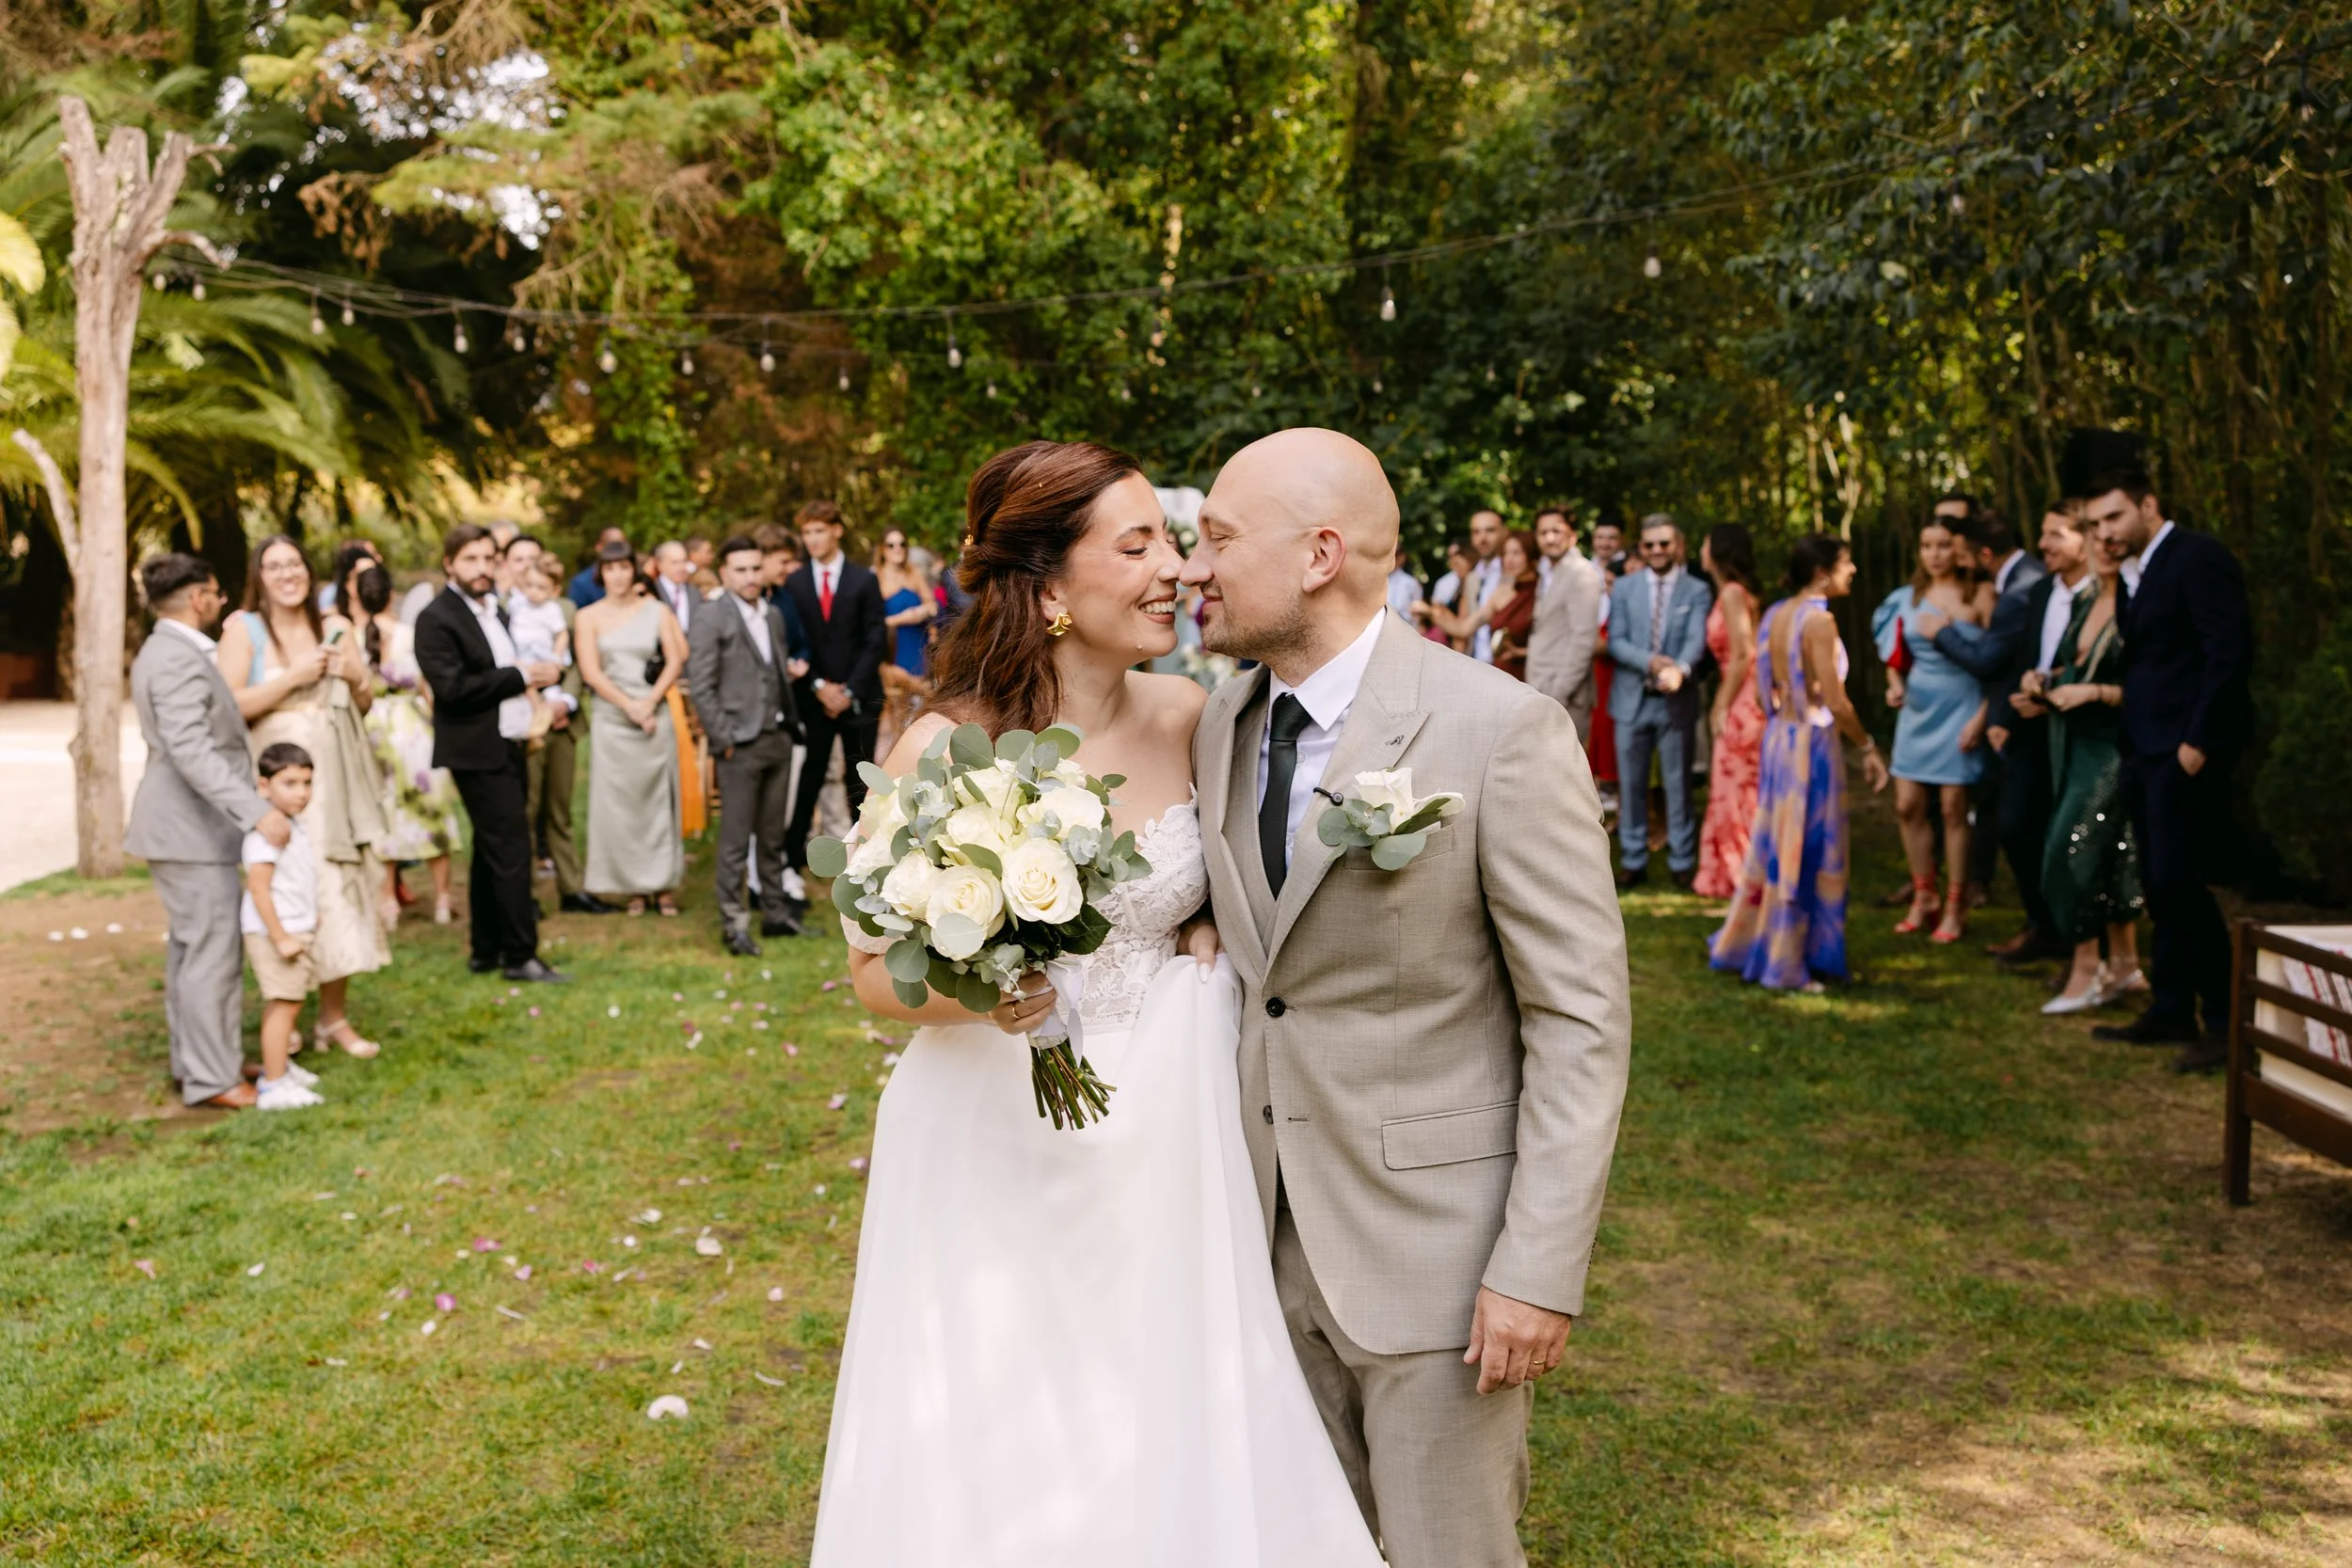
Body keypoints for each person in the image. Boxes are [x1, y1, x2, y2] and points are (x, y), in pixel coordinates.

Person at [815, 439, 1387, 1567]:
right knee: (1003, 1407)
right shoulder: (944, 747)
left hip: (1176, 1127)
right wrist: (999, 990)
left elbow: (1252, 868)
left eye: (1172, 539)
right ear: (1047, 586)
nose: (1174, 567)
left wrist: (1217, 922)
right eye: (1138, 546)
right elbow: (876, 974)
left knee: (1170, 1393)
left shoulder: (1197, 713)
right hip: (994, 1135)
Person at [1186, 429, 1630, 1567]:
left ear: (1319, 554)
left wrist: (1535, 1268)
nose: (1193, 569)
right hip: (1258, 1239)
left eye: (1217, 540)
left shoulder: (1498, 729)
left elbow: (1578, 1020)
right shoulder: (1220, 727)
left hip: (1437, 1263)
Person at [2085, 459, 2253, 1070]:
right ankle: (2172, 1007)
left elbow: (2227, 651)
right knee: (2159, 883)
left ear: (2148, 505)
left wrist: (2199, 741)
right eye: (2095, 521)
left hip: (2183, 750)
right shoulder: (2134, 570)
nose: (2103, 530)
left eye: (2114, 516)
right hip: (2144, 747)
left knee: (2182, 882)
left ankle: (2228, 1024)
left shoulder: (2196, 556)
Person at [127, 554, 291, 1112]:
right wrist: (255, 810)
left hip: (192, 831)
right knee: (211, 955)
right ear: (198, 598)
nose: (221, 604)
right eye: (217, 595)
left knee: (193, 952)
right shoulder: (175, 658)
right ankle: (212, 1077)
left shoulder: (173, 652)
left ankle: (202, 1059)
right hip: (187, 832)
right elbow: (190, 750)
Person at [218, 535, 389, 1057]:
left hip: (331, 780)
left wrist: (356, 675)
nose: (287, 574)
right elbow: (227, 706)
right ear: (259, 575)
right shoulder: (241, 629)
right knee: (283, 891)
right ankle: (284, 1007)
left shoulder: (336, 627)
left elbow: (361, 705)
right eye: (274, 566)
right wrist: (293, 678)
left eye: (294, 564)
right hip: (274, 783)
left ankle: (333, 1018)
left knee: (336, 888)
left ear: (309, 571)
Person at [1708, 534, 1890, 990]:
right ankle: (1792, 960)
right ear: (1823, 572)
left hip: (1780, 739)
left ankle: (1771, 945)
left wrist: (1780, 726)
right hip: (1811, 743)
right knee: (1810, 847)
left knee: (1777, 845)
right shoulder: (1819, 623)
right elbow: (1836, 700)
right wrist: (1867, 746)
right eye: (1848, 564)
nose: (1853, 573)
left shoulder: (1775, 613)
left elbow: (1760, 688)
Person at [414, 524, 570, 983]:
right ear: (449, 564)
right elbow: (452, 689)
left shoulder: (495, 611)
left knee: (489, 849)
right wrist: (519, 677)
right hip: (475, 749)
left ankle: (486, 948)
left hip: (510, 743)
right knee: (512, 847)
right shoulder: (436, 618)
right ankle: (521, 955)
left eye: (488, 559)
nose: (482, 569)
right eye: (470, 560)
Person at [2033, 527, 2146, 1015]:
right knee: (2115, 853)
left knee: (2068, 852)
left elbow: (2154, 688)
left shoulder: (2138, 608)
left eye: (2109, 539)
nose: (2103, 548)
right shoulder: (2085, 604)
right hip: (2073, 743)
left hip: (2114, 747)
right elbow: (2070, 667)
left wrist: (2094, 694)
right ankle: (2125, 965)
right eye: (2096, 539)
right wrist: (2044, 682)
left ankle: (2086, 967)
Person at [1980, 504, 2093, 964]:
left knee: (2069, 832)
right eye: (2043, 534)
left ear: (2085, 538)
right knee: (2015, 824)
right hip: (2029, 724)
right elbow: (2028, 655)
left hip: (2081, 728)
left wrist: (2052, 690)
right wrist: (2005, 716)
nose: (2043, 545)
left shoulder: (2103, 595)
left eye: (2056, 535)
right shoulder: (2043, 590)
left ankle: (2078, 931)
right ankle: (2041, 923)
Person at [1871, 517, 1993, 941]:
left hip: (1962, 705)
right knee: (1907, 804)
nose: (1935, 554)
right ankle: (1924, 895)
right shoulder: (1907, 598)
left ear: (1957, 549)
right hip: (1918, 710)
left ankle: (1956, 905)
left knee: (1953, 807)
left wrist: (1983, 716)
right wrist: (1894, 686)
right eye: (1927, 546)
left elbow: (1998, 662)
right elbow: (1895, 656)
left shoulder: (1979, 594)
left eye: (1943, 545)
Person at [688, 536, 807, 956]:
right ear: (724, 573)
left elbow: (774, 673)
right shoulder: (710, 616)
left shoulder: (772, 615)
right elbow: (701, 687)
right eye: (740, 569)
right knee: (736, 841)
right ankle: (733, 924)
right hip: (738, 743)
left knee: (773, 836)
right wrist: (724, 739)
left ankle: (775, 916)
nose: (750, 577)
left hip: (776, 736)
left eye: (756, 568)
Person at [575, 540, 689, 916]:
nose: (618, 575)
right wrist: (629, 706)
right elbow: (590, 671)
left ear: (634, 571)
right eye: (610, 568)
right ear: (601, 573)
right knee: (620, 806)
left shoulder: (656, 610)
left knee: (659, 800)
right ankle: (633, 888)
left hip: (654, 715)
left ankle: (664, 885)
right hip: (613, 718)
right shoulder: (588, 616)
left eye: (624, 567)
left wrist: (651, 702)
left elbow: (677, 657)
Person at [780, 499, 888, 879]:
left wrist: (848, 691)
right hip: (813, 698)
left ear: (836, 530)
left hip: (858, 697)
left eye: (819, 530)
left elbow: (875, 639)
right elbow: (793, 642)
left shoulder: (864, 580)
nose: (812, 539)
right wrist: (821, 687)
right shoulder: (793, 584)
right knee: (809, 776)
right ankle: (791, 862)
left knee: (859, 780)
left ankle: (867, 861)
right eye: (806, 532)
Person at [1605, 515, 1713, 889]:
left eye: (1663, 544)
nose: (1656, 551)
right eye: (1649, 544)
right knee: (1631, 785)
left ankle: (1682, 859)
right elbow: (1616, 641)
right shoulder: (1623, 588)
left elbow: (1697, 642)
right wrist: (1650, 662)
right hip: (1631, 698)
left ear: (1678, 545)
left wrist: (1679, 670)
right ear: (1641, 547)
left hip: (1675, 699)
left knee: (1677, 783)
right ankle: (1633, 858)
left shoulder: (1697, 589)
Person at [501, 536, 608, 915]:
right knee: (525, 810)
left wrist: (565, 700)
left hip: (561, 718)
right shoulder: (501, 609)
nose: (528, 567)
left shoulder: (564, 608)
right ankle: (524, 893)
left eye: (534, 559)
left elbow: (579, 660)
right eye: (519, 560)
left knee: (560, 809)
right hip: (524, 718)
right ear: (508, 565)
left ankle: (571, 887)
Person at [356, 563, 464, 925]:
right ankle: (443, 900)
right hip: (412, 730)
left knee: (385, 814)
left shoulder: (354, 637)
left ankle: (388, 901)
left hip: (372, 731)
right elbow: (426, 686)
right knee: (432, 810)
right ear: (391, 596)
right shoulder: (408, 633)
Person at [241, 742, 333, 1110]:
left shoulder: (294, 824)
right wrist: (280, 937)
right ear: (264, 786)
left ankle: (279, 1068)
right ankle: (274, 1085)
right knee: (284, 1004)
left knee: (292, 1003)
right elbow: (259, 888)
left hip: (297, 928)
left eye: (307, 783)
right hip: (276, 934)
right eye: (290, 783)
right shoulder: (266, 833)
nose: (301, 792)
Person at [1692, 523, 1765, 900]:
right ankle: (1728, 871)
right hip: (1741, 694)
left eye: (1705, 542)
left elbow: (1743, 654)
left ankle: (1744, 873)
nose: (1700, 549)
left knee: (1736, 790)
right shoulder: (1728, 592)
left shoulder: (1734, 593)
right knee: (1730, 787)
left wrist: (1721, 703)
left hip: (1742, 699)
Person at [1522, 505, 1604, 744]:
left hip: (1564, 696)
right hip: (1542, 687)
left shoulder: (1581, 573)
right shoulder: (1550, 571)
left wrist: (1558, 694)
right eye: (1543, 532)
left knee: (1562, 776)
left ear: (1572, 534)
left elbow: (1583, 640)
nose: (1549, 538)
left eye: (1556, 531)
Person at [874, 528, 937, 676]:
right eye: (891, 545)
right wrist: (902, 618)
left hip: (919, 642)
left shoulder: (914, 573)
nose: (898, 549)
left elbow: (932, 605)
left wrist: (923, 612)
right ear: (883, 549)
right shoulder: (876, 579)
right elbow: (872, 623)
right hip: (893, 648)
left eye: (902, 544)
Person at [1462, 508, 1506, 663]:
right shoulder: (1472, 577)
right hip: (1477, 663)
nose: (1483, 538)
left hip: (1507, 668)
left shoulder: (1514, 572)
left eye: (1490, 530)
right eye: (1476, 532)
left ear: (1503, 532)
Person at [567, 526, 628, 608]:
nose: (616, 553)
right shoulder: (581, 583)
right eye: (611, 547)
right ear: (598, 547)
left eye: (620, 547)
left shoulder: (635, 578)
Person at [652, 539, 701, 635]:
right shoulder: (652, 592)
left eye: (684, 562)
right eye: (675, 562)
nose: (681, 567)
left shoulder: (695, 593)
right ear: (660, 565)